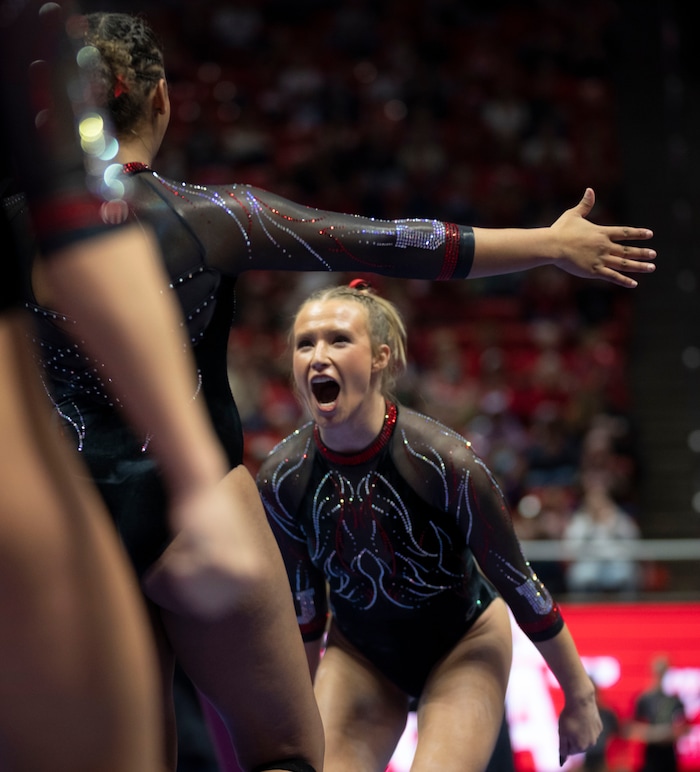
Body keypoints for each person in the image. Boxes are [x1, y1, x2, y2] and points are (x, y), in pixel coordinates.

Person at [26, 10, 656, 772]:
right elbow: (394, 242)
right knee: (289, 755)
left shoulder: (19, 227)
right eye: (307, 343)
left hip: (70, 522)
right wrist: (547, 246)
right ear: (159, 100)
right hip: (194, 514)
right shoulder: (209, 219)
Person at [1, 3, 322, 771]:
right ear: (160, 98)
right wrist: (194, 482)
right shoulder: (34, 35)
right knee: (282, 755)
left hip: (46, 490)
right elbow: (93, 252)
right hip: (114, 494)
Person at [257, 281, 603, 772]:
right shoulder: (282, 478)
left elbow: (519, 582)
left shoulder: (443, 463)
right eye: (305, 342)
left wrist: (580, 694)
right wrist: (297, 723)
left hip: (463, 643)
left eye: (338, 339)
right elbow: (306, 607)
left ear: (379, 358)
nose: (318, 355)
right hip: (361, 653)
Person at [629, 655, 689, 772]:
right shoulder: (644, 699)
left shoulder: (675, 700)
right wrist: (659, 734)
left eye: (664, 670)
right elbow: (632, 729)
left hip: (669, 755)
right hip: (650, 755)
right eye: (659, 671)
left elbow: (683, 728)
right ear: (652, 671)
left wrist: (668, 734)